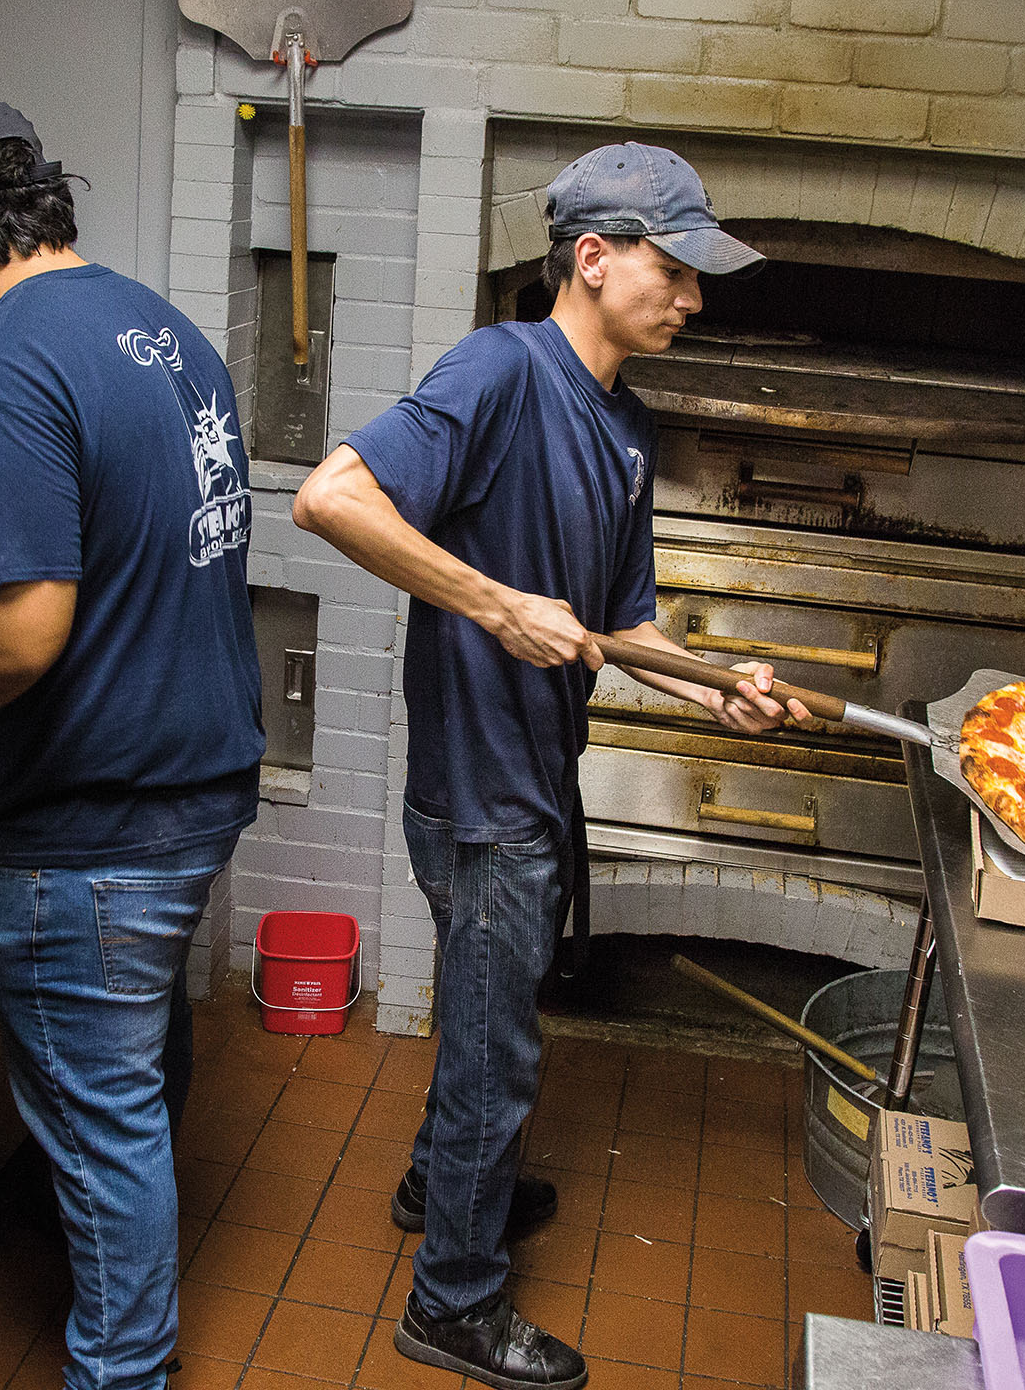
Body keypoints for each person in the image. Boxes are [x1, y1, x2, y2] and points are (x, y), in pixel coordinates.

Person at [294, 141, 808, 1390]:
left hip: (535, 768)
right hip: (482, 788)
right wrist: (493, 605)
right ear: (594, 254)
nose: (693, 298)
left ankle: (441, 1184)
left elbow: (619, 622)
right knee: (497, 1042)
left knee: (484, 1017)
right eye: (676, 269)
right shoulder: (500, 370)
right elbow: (332, 498)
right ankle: (454, 1303)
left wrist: (714, 683)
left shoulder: (624, 423)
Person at [0, 99, 262, 1390]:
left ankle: (124, 1372)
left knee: (101, 1124)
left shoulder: (2, 373)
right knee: (134, 1070)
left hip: (88, 828)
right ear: (51, 201)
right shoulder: (161, 330)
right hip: (194, 783)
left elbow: (16, 636)